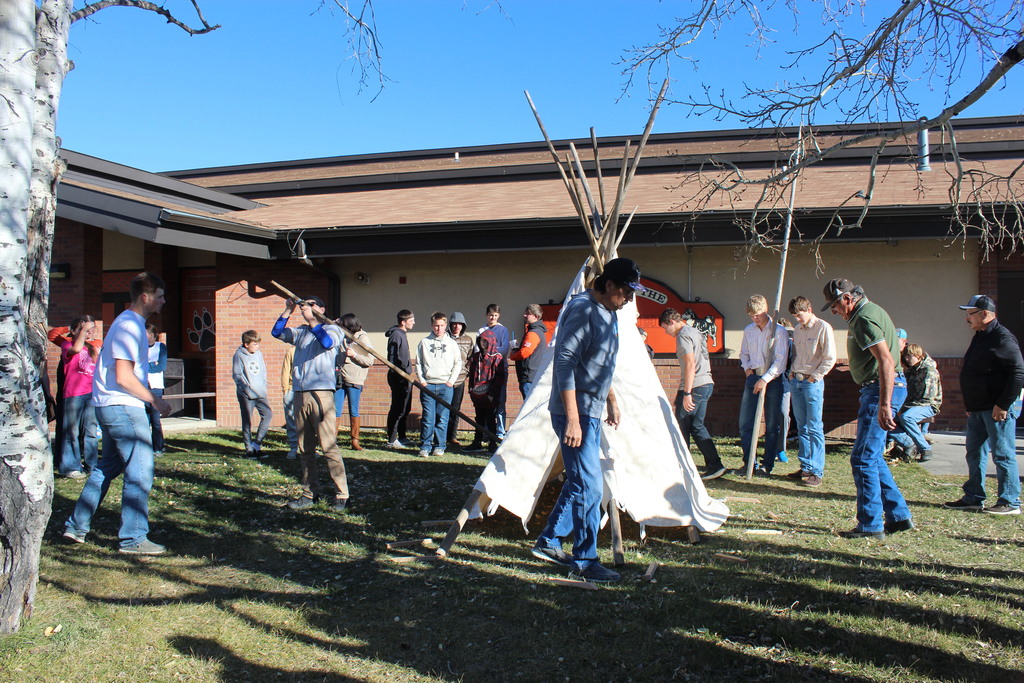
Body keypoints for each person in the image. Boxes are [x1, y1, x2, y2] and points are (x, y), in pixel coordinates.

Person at [532, 257, 645, 584]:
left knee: (581, 480)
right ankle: (584, 560)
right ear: (609, 285)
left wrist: (611, 400)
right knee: (590, 486)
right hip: (575, 412)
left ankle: (550, 541)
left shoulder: (610, 312)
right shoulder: (582, 310)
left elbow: (601, 362)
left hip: (591, 410)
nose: (629, 300)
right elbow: (565, 364)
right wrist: (572, 419)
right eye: (626, 292)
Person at [63, 272, 173, 554]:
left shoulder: (128, 324)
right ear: (145, 297)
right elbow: (124, 377)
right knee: (140, 471)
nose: (163, 301)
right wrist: (155, 401)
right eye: (160, 296)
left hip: (112, 406)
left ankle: (76, 526)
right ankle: (133, 538)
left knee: (108, 467)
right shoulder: (129, 327)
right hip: (123, 408)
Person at [823, 278, 913, 538]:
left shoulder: (863, 318)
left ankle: (870, 525)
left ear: (847, 298)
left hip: (880, 389)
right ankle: (898, 516)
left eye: (835, 305)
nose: (834, 311)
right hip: (879, 388)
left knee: (862, 459)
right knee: (871, 457)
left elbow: (886, 361)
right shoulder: (870, 312)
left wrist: (884, 404)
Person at [945, 295, 1024, 515]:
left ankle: (1010, 501)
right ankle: (973, 497)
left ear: (986, 314)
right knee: (974, 453)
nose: (966, 318)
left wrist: (1003, 404)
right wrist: (970, 403)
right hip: (978, 408)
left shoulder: (1002, 338)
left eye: (970, 314)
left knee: (1002, 454)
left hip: (997, 409)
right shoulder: (980, 336)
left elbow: (1018, 373)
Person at [272, 295, 350, 512]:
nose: (307, 308)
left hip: (322, 393)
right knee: (305, 449)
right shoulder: (301, 332)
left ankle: (342, 494)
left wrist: (313, 320)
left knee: (328, 446)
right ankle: (309, 493)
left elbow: (327, 343)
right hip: (300, 393)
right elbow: (276, 332)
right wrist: (287, 310)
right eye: (305, 305)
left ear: (322, 309)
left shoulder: (333, 330)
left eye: (312, 305)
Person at [658, 307, 726, 480]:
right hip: (706, 382)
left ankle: (682, 468)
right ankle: (715, 465)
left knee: (683, 426)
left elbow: (690, 364)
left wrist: (687, 392)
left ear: (672, 322)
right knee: (696, 425)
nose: (666, 332)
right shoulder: (695, 331)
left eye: (665, 328)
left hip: (694, 386)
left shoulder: (683, 335)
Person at [732, 294, 789, 477]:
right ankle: (749, 462)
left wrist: (765, 379)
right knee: (745, 422)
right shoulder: (749, 330)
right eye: (751, 315)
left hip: (772, 380)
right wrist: (748, 370)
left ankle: (767, 464)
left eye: (757, 314)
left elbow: (780, 360)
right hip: (753, 376)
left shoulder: (778, 331)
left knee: (771, 424)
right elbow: (744, 353)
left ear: (765, 310)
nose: (755, 318)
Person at [785, 296, 837, 487]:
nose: (798, 319)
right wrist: (792, 373)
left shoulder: (823, 327)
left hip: (812, 382)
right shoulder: (798, 330)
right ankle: (805, 466)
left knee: (814, 426)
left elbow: (829, 357)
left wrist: (815, 377)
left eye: (799, 315)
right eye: (795, 316)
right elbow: (796, 354)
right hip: (797, 380)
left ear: (809, 309)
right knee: (802, 426)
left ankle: (817, 470)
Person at [58, 316, 100, 478]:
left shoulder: (93, 348)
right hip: (74, 394)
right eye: (83, 330)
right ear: (74, 331)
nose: (88, 333)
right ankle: (70, 467)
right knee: (72, 432)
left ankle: (92, 465)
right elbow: (75, 349)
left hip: (91, 394)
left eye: (90, 330)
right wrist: (83, 331)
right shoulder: (67, 344)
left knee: (91, 432)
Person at [416, 311, 461, 457]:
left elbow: (458, 363)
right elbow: (418, 363)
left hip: (445, 386)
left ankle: (440, 446)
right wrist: (422, 381)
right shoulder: (424, 342)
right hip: (428, 385)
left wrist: (450, 382)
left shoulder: (451, 343)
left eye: (441, 325)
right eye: (436, 325)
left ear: (446, 325)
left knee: (442, 417)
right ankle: (425, 446)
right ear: (432, 325)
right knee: (428, 417)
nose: (439, 328)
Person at [889, 342, 942, 462]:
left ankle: (925, 449)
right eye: (906, 356)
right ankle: (908, 443)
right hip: (912, 404)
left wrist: (904, 408)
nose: (907, 359)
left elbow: (927, 398)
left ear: (918, 355)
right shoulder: (910, 372)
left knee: (907, 417)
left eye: (910, 356)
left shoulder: (929, 371)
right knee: (888, 419)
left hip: (928, 405)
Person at [334, 313, 374, 451]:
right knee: (336, 409)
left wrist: (354, 355)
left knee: (354, 409)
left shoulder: (362, 337)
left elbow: (370, 360)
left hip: (354, 379)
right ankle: (331, 440)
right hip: (340, 377)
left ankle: (355, 440)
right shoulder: (342, 336)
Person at [232, 330, 272, 459]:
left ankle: (257, 444)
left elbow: (263, 371)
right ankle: (249, 448)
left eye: (258, 343)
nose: (257, 346)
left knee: (267, 414)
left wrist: (264, 386)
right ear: (246, 344)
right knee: (247, 421)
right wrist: (247, 390)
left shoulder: (258, 354)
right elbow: (237, 375)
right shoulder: (239, 355)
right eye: (254, 344)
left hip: (260, 392)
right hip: (246, 394)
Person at [468, 329, 507, 454]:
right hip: (478, 394)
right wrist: (471, 390)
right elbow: (472, 374)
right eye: (481, 341)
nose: (483, 343)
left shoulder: (497, 358)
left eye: (485, 341)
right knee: (479, 418)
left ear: (491, 342)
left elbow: (500, 378)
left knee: (491, 419)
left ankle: (492, 443)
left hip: (491, 394)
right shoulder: (476, 357)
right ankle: (477, 442)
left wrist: (492, 394)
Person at [478, 304, 511, 438]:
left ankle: (500, 431)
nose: (493, 318)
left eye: (495, 316)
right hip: (486, 371)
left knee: (500, 401)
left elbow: (504, 348)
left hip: (499, 369)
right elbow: (478, 349)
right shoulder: (482, 330)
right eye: (491, 315)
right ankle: (487, 431)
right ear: (487, 315)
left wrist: (490, 353)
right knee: (487, 401)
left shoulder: (503, 330)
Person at [385, 309, 416, 449]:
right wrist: (397, 373)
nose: (414, 323)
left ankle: (402, 437)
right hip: (399, 377)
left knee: (405, 408)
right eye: (411, 320)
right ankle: (392, 439)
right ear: (403, 322)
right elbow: (392, 357)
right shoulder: (396, 335)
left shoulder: (402, 334)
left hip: (406, 377)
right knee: (397, 408)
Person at [446, 312, 473, 449]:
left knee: (455, 409)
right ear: (450, 325)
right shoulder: (444, 338)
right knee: (443, 408)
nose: (457, 327)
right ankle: (440, 436)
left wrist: (466, 372)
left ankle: (452, 436)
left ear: (463, 326)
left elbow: (470, 358)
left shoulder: (468, 340)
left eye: (460, 324)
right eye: (454, 324)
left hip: (460, 380)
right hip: (445, 380)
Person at [510, 304, 547, 400]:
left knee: (529, 404)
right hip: (533, 375)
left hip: (529, 377)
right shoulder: (538, 331)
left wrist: (513, 356)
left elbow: (524, 352)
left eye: (528, 313)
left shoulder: (533, 333)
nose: (525, 315)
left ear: (536, 316)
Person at [146, 323, 167, 457]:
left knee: (155, 420)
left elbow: (161, 366)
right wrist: (151, 364)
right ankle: (146, 447)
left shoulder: (160, 347)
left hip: (156, 387)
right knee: (144, 420)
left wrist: (145, 366)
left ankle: (158, 447)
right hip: (143, 387)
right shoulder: (139, 348)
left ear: (152, 335)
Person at [280, 346, 298, 459]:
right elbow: (286, 370)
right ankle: (293, 447)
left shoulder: (311, 350)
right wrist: (285, 389)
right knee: (291, 420)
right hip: (292, 389)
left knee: (308, 421)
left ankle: (309, 448)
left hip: (307, 390)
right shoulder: (292, 351)